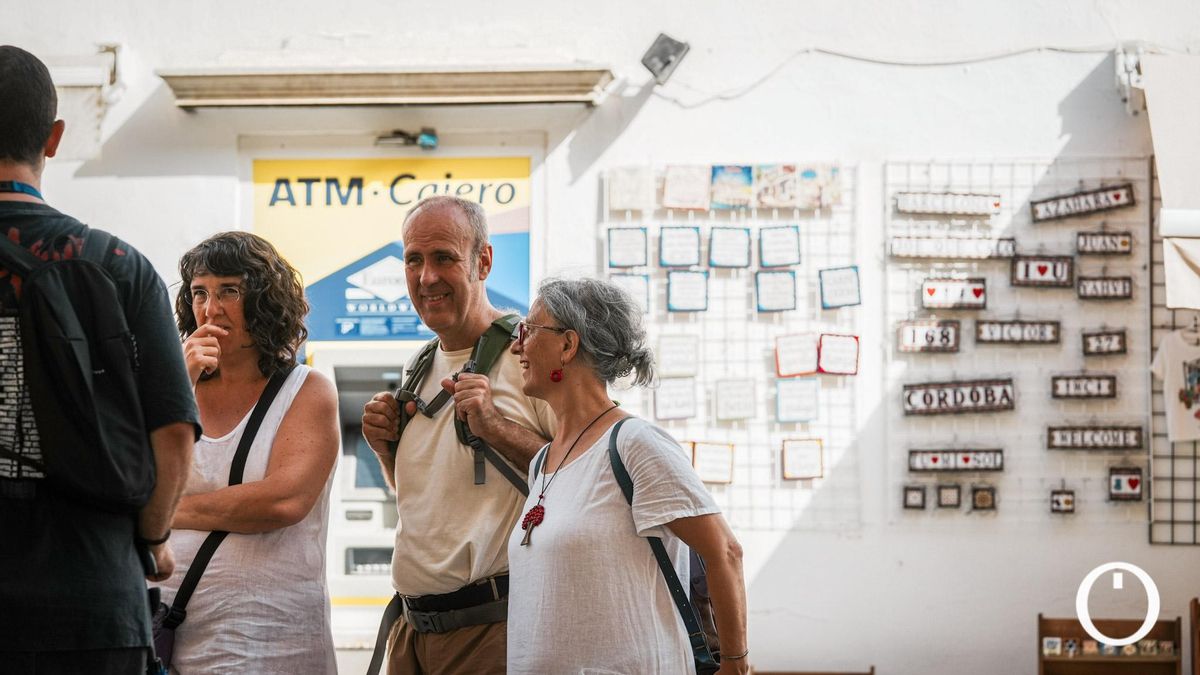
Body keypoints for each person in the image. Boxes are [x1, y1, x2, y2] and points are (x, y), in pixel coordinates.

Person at [0, 45, 198, 674]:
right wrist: (152, 538)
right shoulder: (118, 266)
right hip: (94, 599)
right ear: (54, 138)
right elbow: (172, 434)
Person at [507, 277, 750, 674]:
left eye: (529, 330)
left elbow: (724, 551)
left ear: (568, 345)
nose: (517, 345)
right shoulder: (542, 462)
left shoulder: (634, 443)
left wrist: (736, 665)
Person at [360, 196, 554, 674]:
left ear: (482, 261)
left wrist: (495, 426)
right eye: (413, 260)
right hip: (411, 634)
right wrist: (386, 453)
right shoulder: (419, 365)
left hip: (492, 633)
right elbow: (426, 498)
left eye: (443, 257)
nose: (426, 277)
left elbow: (585, 480)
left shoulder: (530, 355)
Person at [157, 231, 340, 672]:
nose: (210, 309)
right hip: (165, 631)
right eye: (199, 292)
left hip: (268, 639)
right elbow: (131, 475)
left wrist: (160, 511)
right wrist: (178, 386)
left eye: (229, 291)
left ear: (265, 301)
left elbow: (282, 500)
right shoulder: (175, 386)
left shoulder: (305, 390)